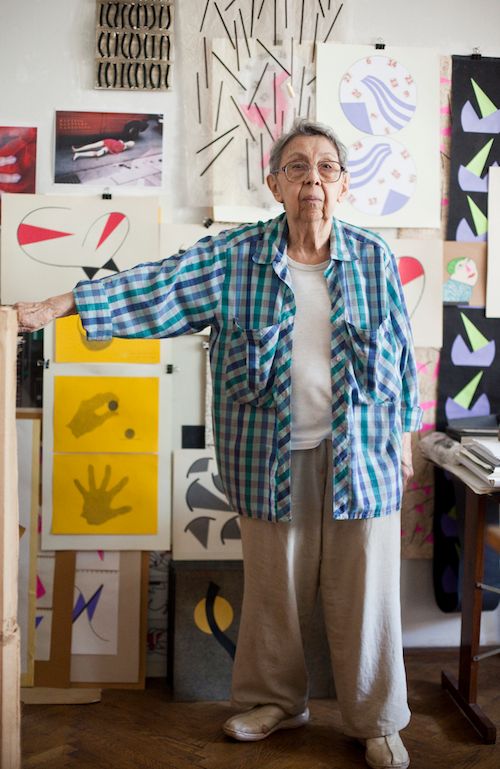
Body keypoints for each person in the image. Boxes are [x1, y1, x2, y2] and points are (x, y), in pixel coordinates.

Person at [16, 119, 422, 769]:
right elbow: (160, 284)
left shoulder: (373, 257)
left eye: (325, 167)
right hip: (268, 454)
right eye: (296, 167)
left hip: (364, 452)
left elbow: (401, 357)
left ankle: (375, 720)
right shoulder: (236, 257)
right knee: (273, 591)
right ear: (274, 184)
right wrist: (61, 306)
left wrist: (404, 439)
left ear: (344, 185)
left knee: (368, 593)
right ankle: (275, 701)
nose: (311, 179)